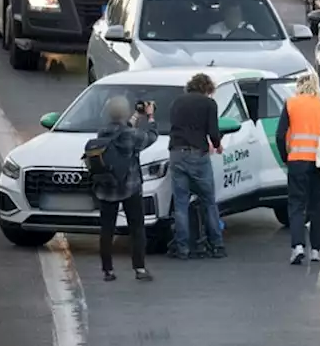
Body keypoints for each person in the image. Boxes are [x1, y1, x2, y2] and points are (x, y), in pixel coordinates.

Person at [276, 71, 320, 264]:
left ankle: (298, 246)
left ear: (298, 86)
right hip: (319, 162)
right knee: (319, 206)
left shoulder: (290, 104)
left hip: (297, 161)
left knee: (297, 205)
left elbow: (280, 135)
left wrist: (286, 157)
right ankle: (317, 249)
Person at [92, 96, 159, 282]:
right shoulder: (132, 135)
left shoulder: (102, 133)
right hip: (130, 186)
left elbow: (121, 132)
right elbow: (151, 136)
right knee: (137, 228)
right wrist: (150, 117)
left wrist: (136, 117)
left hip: (107, 186)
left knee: (106, 229)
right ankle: (139, 268)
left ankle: (107, 270)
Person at [166, 73, 225, 260]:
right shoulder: (209, 104)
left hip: (176, 153)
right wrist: (217, 145)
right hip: (197, 154)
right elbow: (213, 131)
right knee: (208, 201)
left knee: (181, 203)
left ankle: (182, 247)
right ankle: (217, 244)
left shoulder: (177, 102)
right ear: (207, 88)